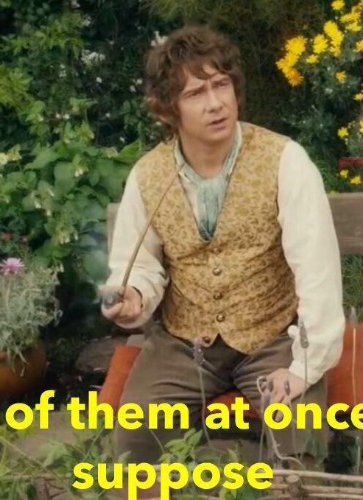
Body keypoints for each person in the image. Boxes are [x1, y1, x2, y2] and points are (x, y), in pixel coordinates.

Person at [100, 24, 345, 473]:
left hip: (273, 337)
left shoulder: (285, 161)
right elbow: (139, 268)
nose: (216, 103)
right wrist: (133, 297)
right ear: (168, 109)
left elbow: (318, 272)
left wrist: (303, 368)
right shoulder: (148, 176)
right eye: (196, 93)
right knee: (135, 439)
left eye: (221, 84)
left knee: (300, 435)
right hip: (183, 343)